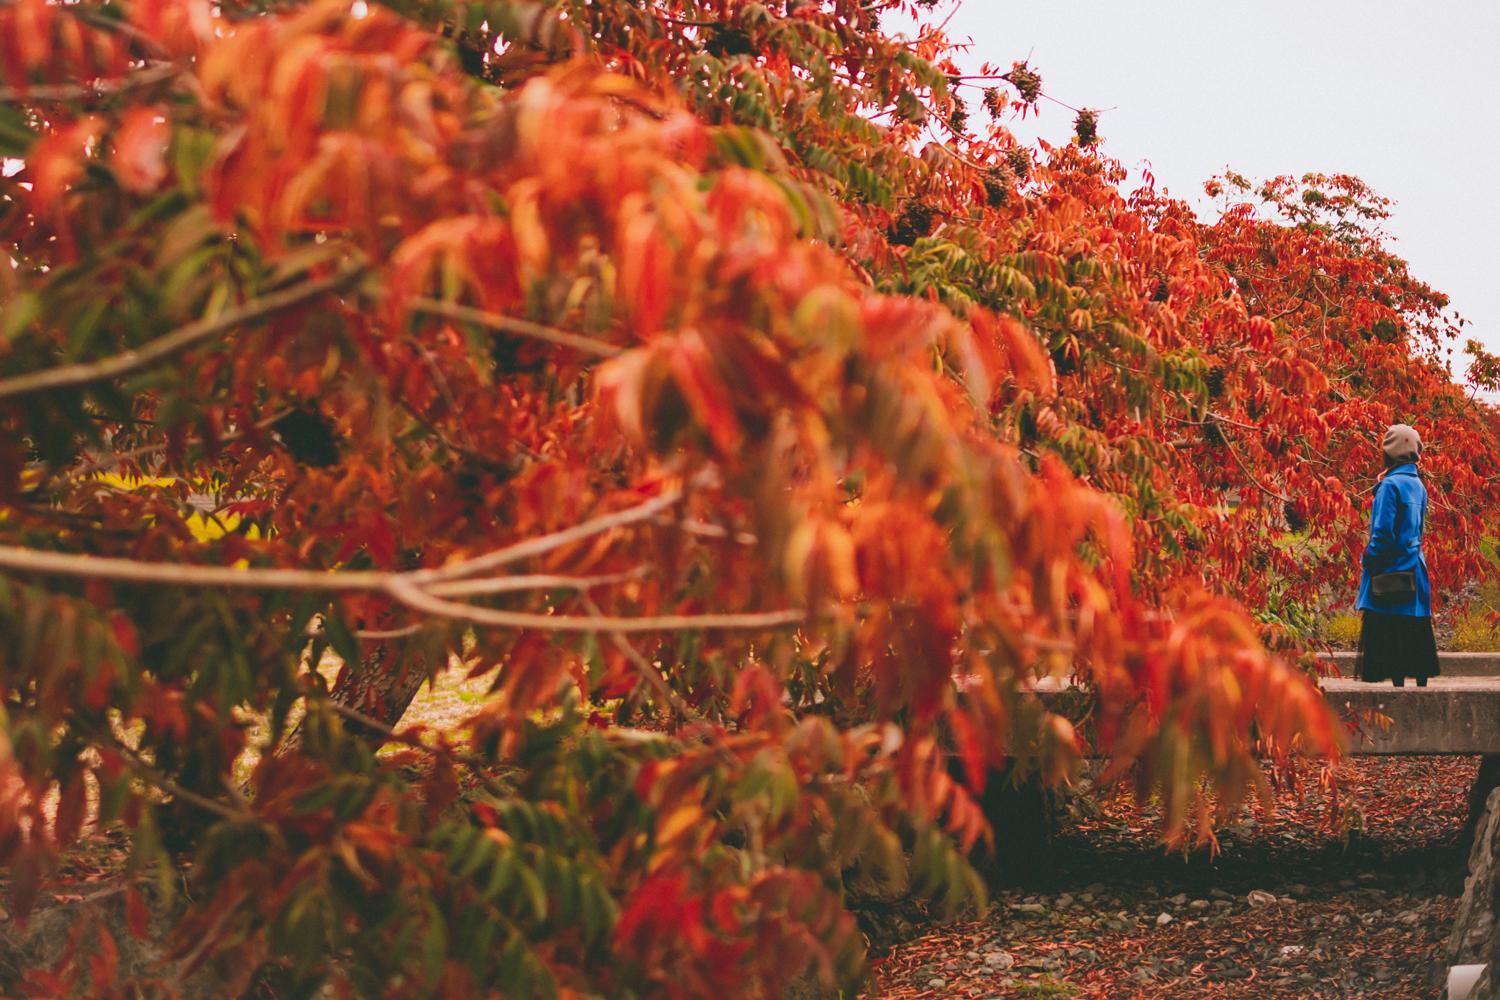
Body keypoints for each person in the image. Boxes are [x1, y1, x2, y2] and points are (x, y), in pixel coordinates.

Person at [1354, 423, 1439, 687]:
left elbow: (1382, 534)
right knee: (1413, 630)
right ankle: (1421, 688)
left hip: (1391, 570)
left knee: (1389, 633)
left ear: (1388, 451)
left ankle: (1398, 693)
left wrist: (1369, 559)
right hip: (1415, 568)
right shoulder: (1419, 486)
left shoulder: (1390, 486)